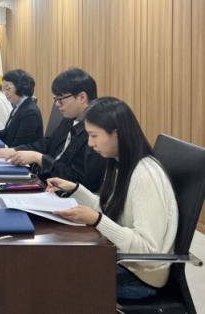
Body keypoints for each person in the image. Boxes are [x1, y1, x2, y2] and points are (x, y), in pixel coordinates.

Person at [47, 97, 178, 300]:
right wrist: (76, 190)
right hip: (121, 260)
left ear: (116, 134)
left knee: (55, 281)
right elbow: (111, 210)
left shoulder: (145, 175)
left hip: (141, 276)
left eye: (94, 136)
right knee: (52, 265)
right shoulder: (119, 163)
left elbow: (148, 250)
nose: (90, 143)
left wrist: (97, 220)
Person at [0, 67, 107, 192]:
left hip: (66, 196)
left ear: (82, 97)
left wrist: (39, 158)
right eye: (55, 99)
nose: (57, 104)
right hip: (47, 184)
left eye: (60, 99)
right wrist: (7, 152)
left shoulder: (95, 133)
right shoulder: (70, 118)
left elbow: (78, 181)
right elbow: (47, 143)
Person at [0, 69, 43, 147]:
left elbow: (20, 145)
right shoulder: (18, 106)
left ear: (20, 87)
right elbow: (7, 132)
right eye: (4, 89)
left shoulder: (30, 112)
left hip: (19, 153)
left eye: (8, 89)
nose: (5, 93)